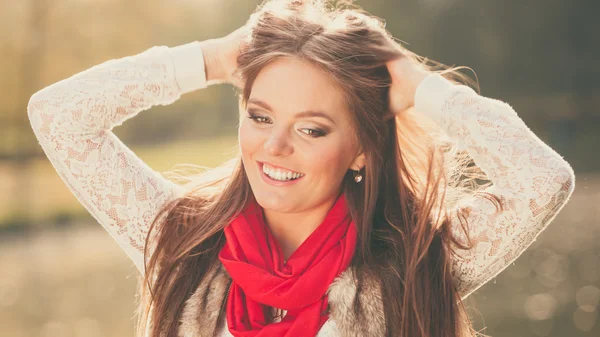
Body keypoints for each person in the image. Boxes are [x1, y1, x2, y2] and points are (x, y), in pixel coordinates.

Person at [27, 0, 575, 336]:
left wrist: (419, 87)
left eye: (312, 129)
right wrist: (212, 58)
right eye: (260, 116)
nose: (275, 146)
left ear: (362, 149)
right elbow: (59, 117)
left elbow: (543, 180)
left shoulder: (412, 260)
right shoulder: (181, 240)